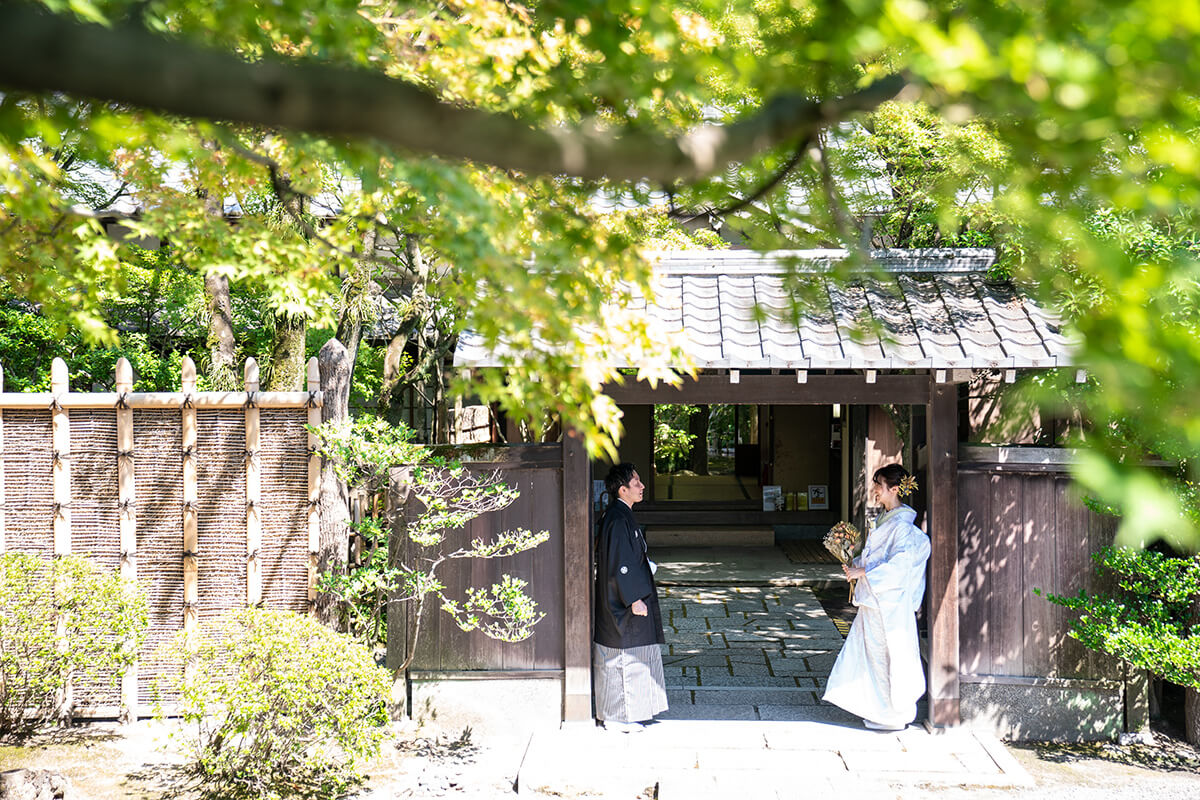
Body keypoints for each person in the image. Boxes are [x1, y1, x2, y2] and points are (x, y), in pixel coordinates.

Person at [823, 463, 931, 731]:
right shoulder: (888, 519)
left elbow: (900, 565)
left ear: (894, 489)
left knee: (886, 657)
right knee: (870, 655)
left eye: (878, 486)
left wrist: (864, 571)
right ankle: (879, 708)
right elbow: (879, 558)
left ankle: (892, 713)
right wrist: (857, 564)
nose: (875, 491)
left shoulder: (902, 526)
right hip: (876, 599)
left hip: (888, 602)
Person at [592, 462, 668, 732]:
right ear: (622, 489)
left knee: (634, 656)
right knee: (622, 658)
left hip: (624, 599)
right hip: (620, 604)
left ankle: (628, 713)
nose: (642, 486)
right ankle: (615, 716)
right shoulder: (617, 518)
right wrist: (634, 598)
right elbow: (620, 564)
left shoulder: (621, 515)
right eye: (636, 483)